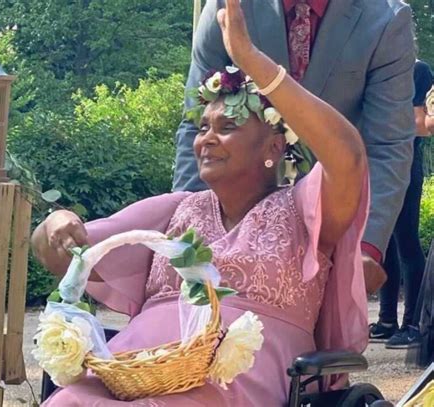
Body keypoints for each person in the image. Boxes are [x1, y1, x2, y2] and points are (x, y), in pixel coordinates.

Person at [34, 1, 369, 405]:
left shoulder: (305, 209)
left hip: (232, 380)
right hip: (136, 370)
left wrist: (250, 59)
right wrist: (56, 223)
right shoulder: (176, 208)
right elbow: (65, 254)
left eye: (227, 127)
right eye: (203, 127)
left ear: (275, 146)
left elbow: (348, 155)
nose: (205, 139)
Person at [172, 0, 416, 295]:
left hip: (327, 225)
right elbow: (195, 123)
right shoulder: (230, 6)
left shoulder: (387, 20)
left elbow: (387, 145)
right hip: (234, 217)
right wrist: (191, 227)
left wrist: (364, 247)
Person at [369, 60, 433, 348]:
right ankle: (386, 320)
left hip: (404, 164)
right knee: (383, 243)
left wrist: (382, 124)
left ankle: (413, 324)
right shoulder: (377, 71)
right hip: (377, 166)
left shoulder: (418, 71)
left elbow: (422, 126)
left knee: (406, 242)